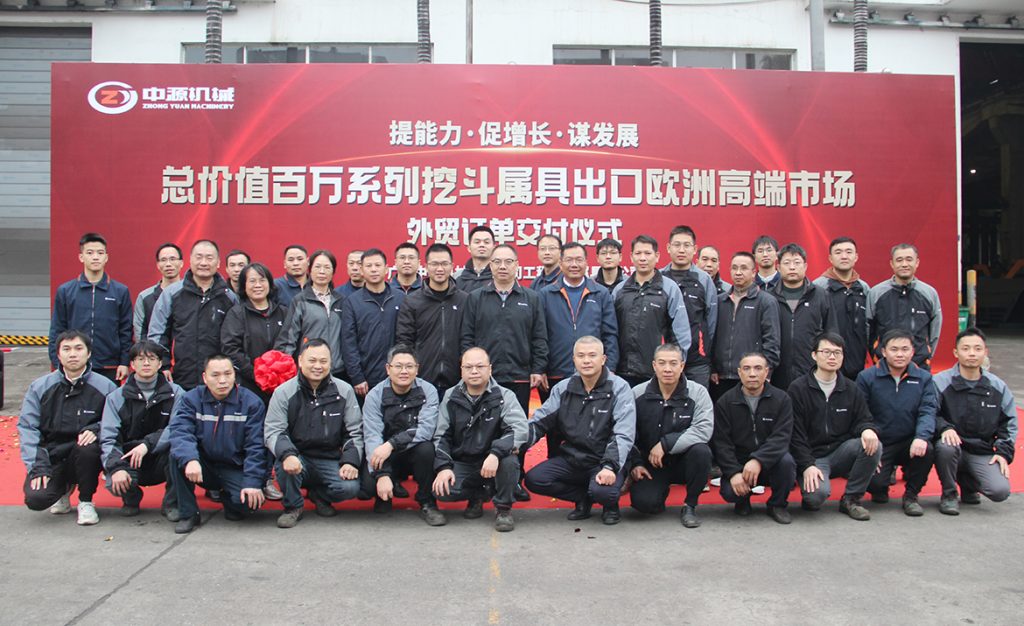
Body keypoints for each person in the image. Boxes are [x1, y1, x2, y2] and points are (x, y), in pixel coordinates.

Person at [523, 336, 636, 525]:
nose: (586, 360)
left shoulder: (619, 388)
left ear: (603, 359)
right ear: (574, 359)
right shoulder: (563, 388)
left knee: (604, 492)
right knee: (535, 479)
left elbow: (623, 433)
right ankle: (583, 498)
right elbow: (540, 421)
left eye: (592, 355)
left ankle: (610, 505)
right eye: (581, 356)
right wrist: (515, 443)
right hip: (573, 458)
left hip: (604, 459)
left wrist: (609, 466)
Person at [18, 331, 118, 525]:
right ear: (58, 354)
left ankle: (86, 501)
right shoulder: (40, 387)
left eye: (78, 348)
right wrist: (38, 466)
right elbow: (28, 427)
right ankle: (63, 490)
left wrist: (96, 429)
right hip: (52, 454)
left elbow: (116, 422)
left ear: (89, 353)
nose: (73, 354)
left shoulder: (106, 387)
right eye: (66, 349)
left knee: (88, 447)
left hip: (85, 453)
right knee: (36, 499)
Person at [264, 339, 363, 528]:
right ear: (300, 361)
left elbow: (354, 432)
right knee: (285, 464)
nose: (318, 366)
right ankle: (293, 507)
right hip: (298, 455)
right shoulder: (283, 392)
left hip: (329, 457)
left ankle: (320, 496)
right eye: (312, 360)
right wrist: (288, 454)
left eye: (323, 361)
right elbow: (274, 430)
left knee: (350, 487)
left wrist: (350, 461)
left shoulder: (344, 390)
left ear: (330, 363)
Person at [167, 354, 269, 533]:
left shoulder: (251, 402)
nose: (222, 380)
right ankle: (188, 514)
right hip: (203, 465)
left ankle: (229, 499)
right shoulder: (191, 399)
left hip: (235, 466)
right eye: (215, 375)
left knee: (249, 504)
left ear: (234, 375)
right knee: (177, 456)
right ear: (205, 377)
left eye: (228, 374)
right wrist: (190, 459)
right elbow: (180, 432)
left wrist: (252, 482)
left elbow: (257, 446)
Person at [433, 347, 528, 532]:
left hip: (495, 460)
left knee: (509, 461)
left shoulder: (504, 396)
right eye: (468, 367)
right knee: (442, 491)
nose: (474, 371)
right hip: (464, 460)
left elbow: (519, 430)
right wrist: (443, 467)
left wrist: (495, 453)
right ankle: (478, 494)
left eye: (480, 366)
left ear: (490, 369)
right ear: (461, 370)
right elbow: (441, 435)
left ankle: (503, 509)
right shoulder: (451, 396)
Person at [788, 333, 881, 521]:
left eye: (837, 353)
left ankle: (851, 499)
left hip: (840, 452)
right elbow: (794, 435)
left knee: (874, 444)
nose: (832, 357)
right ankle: (810, 491)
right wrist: (807, 465)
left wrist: (867, 429)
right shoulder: (798, 389)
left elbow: (863, 419)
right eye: (826, 352)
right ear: (814, 355)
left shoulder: (851, 388)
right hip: (812, 456)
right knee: (816, 498)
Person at [931, 328, 1016, 515]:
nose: (972, 353)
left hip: (981, 449)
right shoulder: (939, 382)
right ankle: (949, 494)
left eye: (977, 349)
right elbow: (929, 413)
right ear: (956, 353)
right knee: (946, 447)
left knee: (1000, 491)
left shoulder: (997, 386)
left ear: (985, 352)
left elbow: (1008, 423)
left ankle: (968, 485)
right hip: (952, 446)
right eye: (966, 348)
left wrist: (1003, 452)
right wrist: (944, 428)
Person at [628, 343, 713, 528]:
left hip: (685, 461)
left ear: (682, 366)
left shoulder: (698, 392)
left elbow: (703, 429)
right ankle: (659, 492)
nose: (668, 369)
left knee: (702, 452)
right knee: (644, 504)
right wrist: (636, 463)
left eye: (673, 363)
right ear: (654, 365)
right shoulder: (637, 393)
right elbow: (628, 433)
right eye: (662, 363)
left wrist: (665, 444)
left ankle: (690, 505)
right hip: (652, 464)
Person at [857, 329, 937, 516]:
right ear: (883, 352)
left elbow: (928, 410)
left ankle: (911, 496)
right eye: (894, 349)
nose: (900, 354)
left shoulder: (924, 378)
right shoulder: (867, 377)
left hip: (910, 440)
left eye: (905, 349)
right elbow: (860, 412)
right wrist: (869, 433)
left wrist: (921, 437)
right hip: (880, 441)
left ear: (912, 351)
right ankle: (880, 488)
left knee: (928, 449)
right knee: (875, 483)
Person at [361, 346, 445, 525]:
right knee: (367, 487)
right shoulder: (375, 395)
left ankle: (427, 501)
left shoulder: (428, 390)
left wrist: (391, 444)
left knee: (427, 449)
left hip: (412, 450)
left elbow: (426, 429)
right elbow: (372, 436)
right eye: (398, 366)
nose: (404, 371)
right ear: (388, 368)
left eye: (409, 366)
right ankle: (384, 495)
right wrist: (381, 474)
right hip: (385, 454)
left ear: (417, 369)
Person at [460, 244, 548, 414]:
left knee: (516, 425)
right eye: (497, 262)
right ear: (490, 265)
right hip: (484, 376)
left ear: (516, 265)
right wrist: (471, 368)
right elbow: (466, 337)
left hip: (520, 377)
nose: (502, 266)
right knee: (484, 425)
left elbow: (539, 337)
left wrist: (538, 368)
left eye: (508, 262)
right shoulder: (476, 297)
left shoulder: (531, 298)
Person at [100, 340, 184, 518]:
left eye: (152, 359)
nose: (146, 363)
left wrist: (147, 444)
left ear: (160, 364)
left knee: (181, 449)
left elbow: (178, 427)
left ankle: (171, 503)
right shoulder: (116, 397)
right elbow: (109, 437)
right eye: (140, 359)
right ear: (132, 364)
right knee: (114, 477)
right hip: (130, 457)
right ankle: (131, 497)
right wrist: (116, 468)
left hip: (161, 455)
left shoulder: (176, 393)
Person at [712, 352, 796, 524]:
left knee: (787, 462)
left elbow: (781, 438)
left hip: (771, 461)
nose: (752, 374)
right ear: (739, 372)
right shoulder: (725, 402)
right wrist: (734, 472)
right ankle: (743, 500)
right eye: (746, 368)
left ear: (766, 372)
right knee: (730, 493)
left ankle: (777, 505)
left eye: (758, 368)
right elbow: (721, 443)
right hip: (740, 463)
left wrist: (758, 460)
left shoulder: (782, 399)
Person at [148, 239, 239, 390]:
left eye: (209, 258)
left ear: (218, 263)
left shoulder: (229, 298)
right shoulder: (172, 294)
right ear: (190, 260)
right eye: (199, 257)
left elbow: (236, 339)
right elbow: (157, 333)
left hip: (218, 379)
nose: (203, 262)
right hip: (180, 375)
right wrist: (163, 365)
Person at [49, 232, 133, 382]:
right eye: (90, 253)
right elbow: (57, 329)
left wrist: (124, 362)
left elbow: (125, 330)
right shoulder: (66, 291)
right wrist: (57, 362)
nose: (95, 257)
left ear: (106, 257)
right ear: (81, 257)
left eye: (100, 253)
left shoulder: (120, 291)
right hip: (74, 365)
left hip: (109, 365)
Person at [540, 242, 618, 401]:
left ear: (587, 263)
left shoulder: (600, 293)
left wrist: (609, 368)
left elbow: (610, 334)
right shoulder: (545, 294)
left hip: (593, 373)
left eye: (579, 260)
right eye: (569, 260)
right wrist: (540, 369)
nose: (574, 264)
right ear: (560, 263)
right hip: (555, 373)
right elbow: (539, 335)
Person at [612, 234, 691, 388]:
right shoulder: (620, 290)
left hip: (657, 373)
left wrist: (674, 365)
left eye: (647, 253)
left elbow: (680, 333)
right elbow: (611, 331)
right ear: (631, 257)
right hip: (623, 372)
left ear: (657, 256)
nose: (643, 258)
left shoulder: (669, 288)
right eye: (638, 253)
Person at [395, 243, 469, 398]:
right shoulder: (412, 301)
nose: (440, 269)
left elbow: (468, 339)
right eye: (434, 264)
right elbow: (404, 341)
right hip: (422, 380)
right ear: (426, 266)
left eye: (444, 264)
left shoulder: (464, 300)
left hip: (457, 381)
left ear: (452, 266)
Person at [710, 252, 781, 402]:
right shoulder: (720, 301)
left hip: (752, 375)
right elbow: (712, 336)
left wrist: (766, 372)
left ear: (754, 272)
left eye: (743, 268)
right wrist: (713, 368)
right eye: (734, 268)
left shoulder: (766, 301)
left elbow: (772, 340)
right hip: (721, 377)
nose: (738, 272)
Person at [768, 243, 837, 390]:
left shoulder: (821, 296)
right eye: (787, 263)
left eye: (797, 263)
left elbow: (831, 333)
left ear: (805, 266)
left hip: (812, 370)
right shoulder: (769, 298)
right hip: (776, 373)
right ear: (778, 267)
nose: (792, 267)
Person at [341, 248, 406, 396]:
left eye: (378, 265)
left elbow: (407, 337)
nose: (374, 270)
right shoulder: (352, 302)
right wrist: (357, 377)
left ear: (386, 269)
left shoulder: (400, 298)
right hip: (366, 378)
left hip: (398, 374)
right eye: (369, 266)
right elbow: (349, 342)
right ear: (362, 270)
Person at [868, 243, 943, 369]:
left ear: (917, 262)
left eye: (909, 259)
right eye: (899, 260)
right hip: (883, 365)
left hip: (919, 365)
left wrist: (927, 355)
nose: (904, 264)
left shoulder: (929, 293)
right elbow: (868, 329)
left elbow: (935, 330)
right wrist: (876, 354)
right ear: (892, 264)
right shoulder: (876, 293)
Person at [221, 262, 288, 403]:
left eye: (262, 280)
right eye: (252, 281)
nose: (258, 285)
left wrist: (279, 375)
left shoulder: (283, 312)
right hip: (248, 384)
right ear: (244, 286)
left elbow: (290, 344)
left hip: (281, 385)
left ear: (270, 283)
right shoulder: (237, 314)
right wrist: (257, 374)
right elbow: (230, 348)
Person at [275, 249, 347, 378]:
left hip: (337, 370)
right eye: (317, 267)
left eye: (327, 267)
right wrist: (283, 370)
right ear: (310, 269)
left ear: (333, 272)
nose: (322, 271)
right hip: (309, 370)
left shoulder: (340, 301)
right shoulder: (300, 300)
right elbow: (288, 339)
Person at [661, 225, 718, 388]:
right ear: (668, 248)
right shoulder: (659, 278)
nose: (681, 250)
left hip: (697, 361)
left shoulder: (704, 280)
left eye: (686, 245)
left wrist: (703, 348)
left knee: (696, 400)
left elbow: (711, 321)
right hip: (664, 360)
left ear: (694, 249)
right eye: (677, 245)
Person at [813, 237, 870, 380]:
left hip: (857, 363)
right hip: (826, 363)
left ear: (856, 257)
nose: (844, 256)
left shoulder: (864, 288)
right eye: (838, 252)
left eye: (849, 252)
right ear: (830, 258)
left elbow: (869, 326)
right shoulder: (818, 287)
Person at [133, 242, 183, 342]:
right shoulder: (145, 297)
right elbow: (140, 333)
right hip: (154, 350)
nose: (168, 264)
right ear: (158, 265)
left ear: (181, 263)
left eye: (172, 259)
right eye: (163, 260)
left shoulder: (192, 294)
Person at [455, 225, 495, 292]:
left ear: (494, 248)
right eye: (477, 242)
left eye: (486, 242)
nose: (482, 245)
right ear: (469, 248)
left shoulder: (500, 274)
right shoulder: (457, 276)